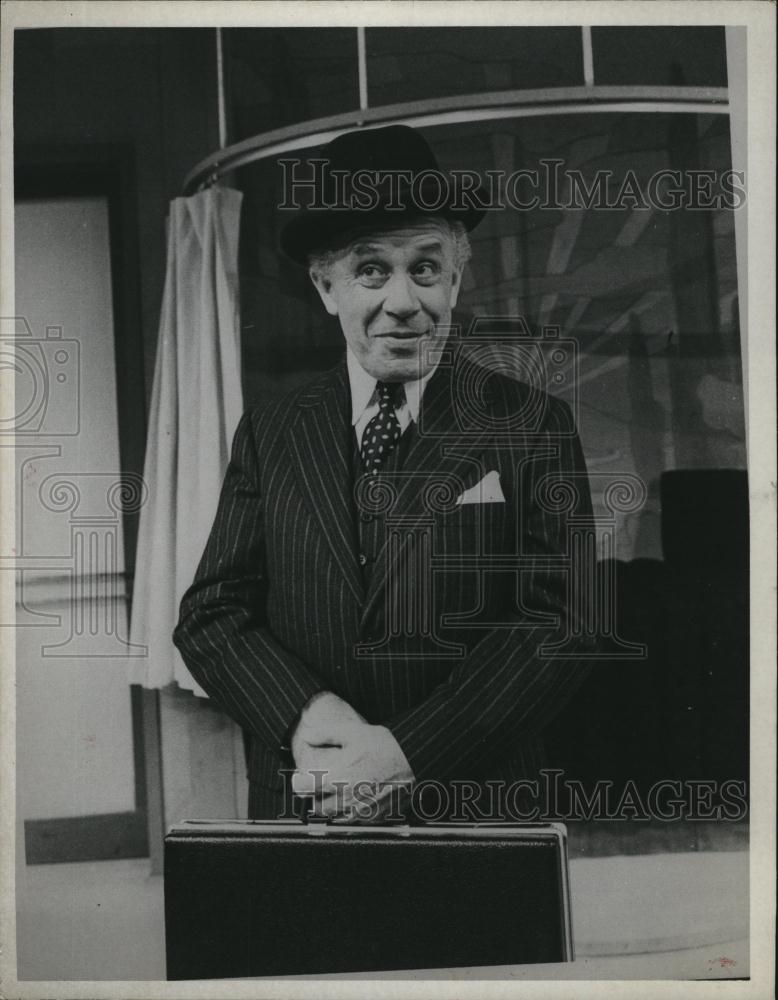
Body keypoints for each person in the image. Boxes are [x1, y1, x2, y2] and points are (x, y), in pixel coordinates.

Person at [173, 124, 595, 822]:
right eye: (372, 270)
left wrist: (406, 754)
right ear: (325, 287)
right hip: (310, 797)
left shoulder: (531, 421)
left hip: (473, 810)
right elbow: (212, 614)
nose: (402, 300)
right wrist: (307, 715)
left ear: (455, 281)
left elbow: (564, 621)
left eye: (425, 268)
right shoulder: (274, 430)